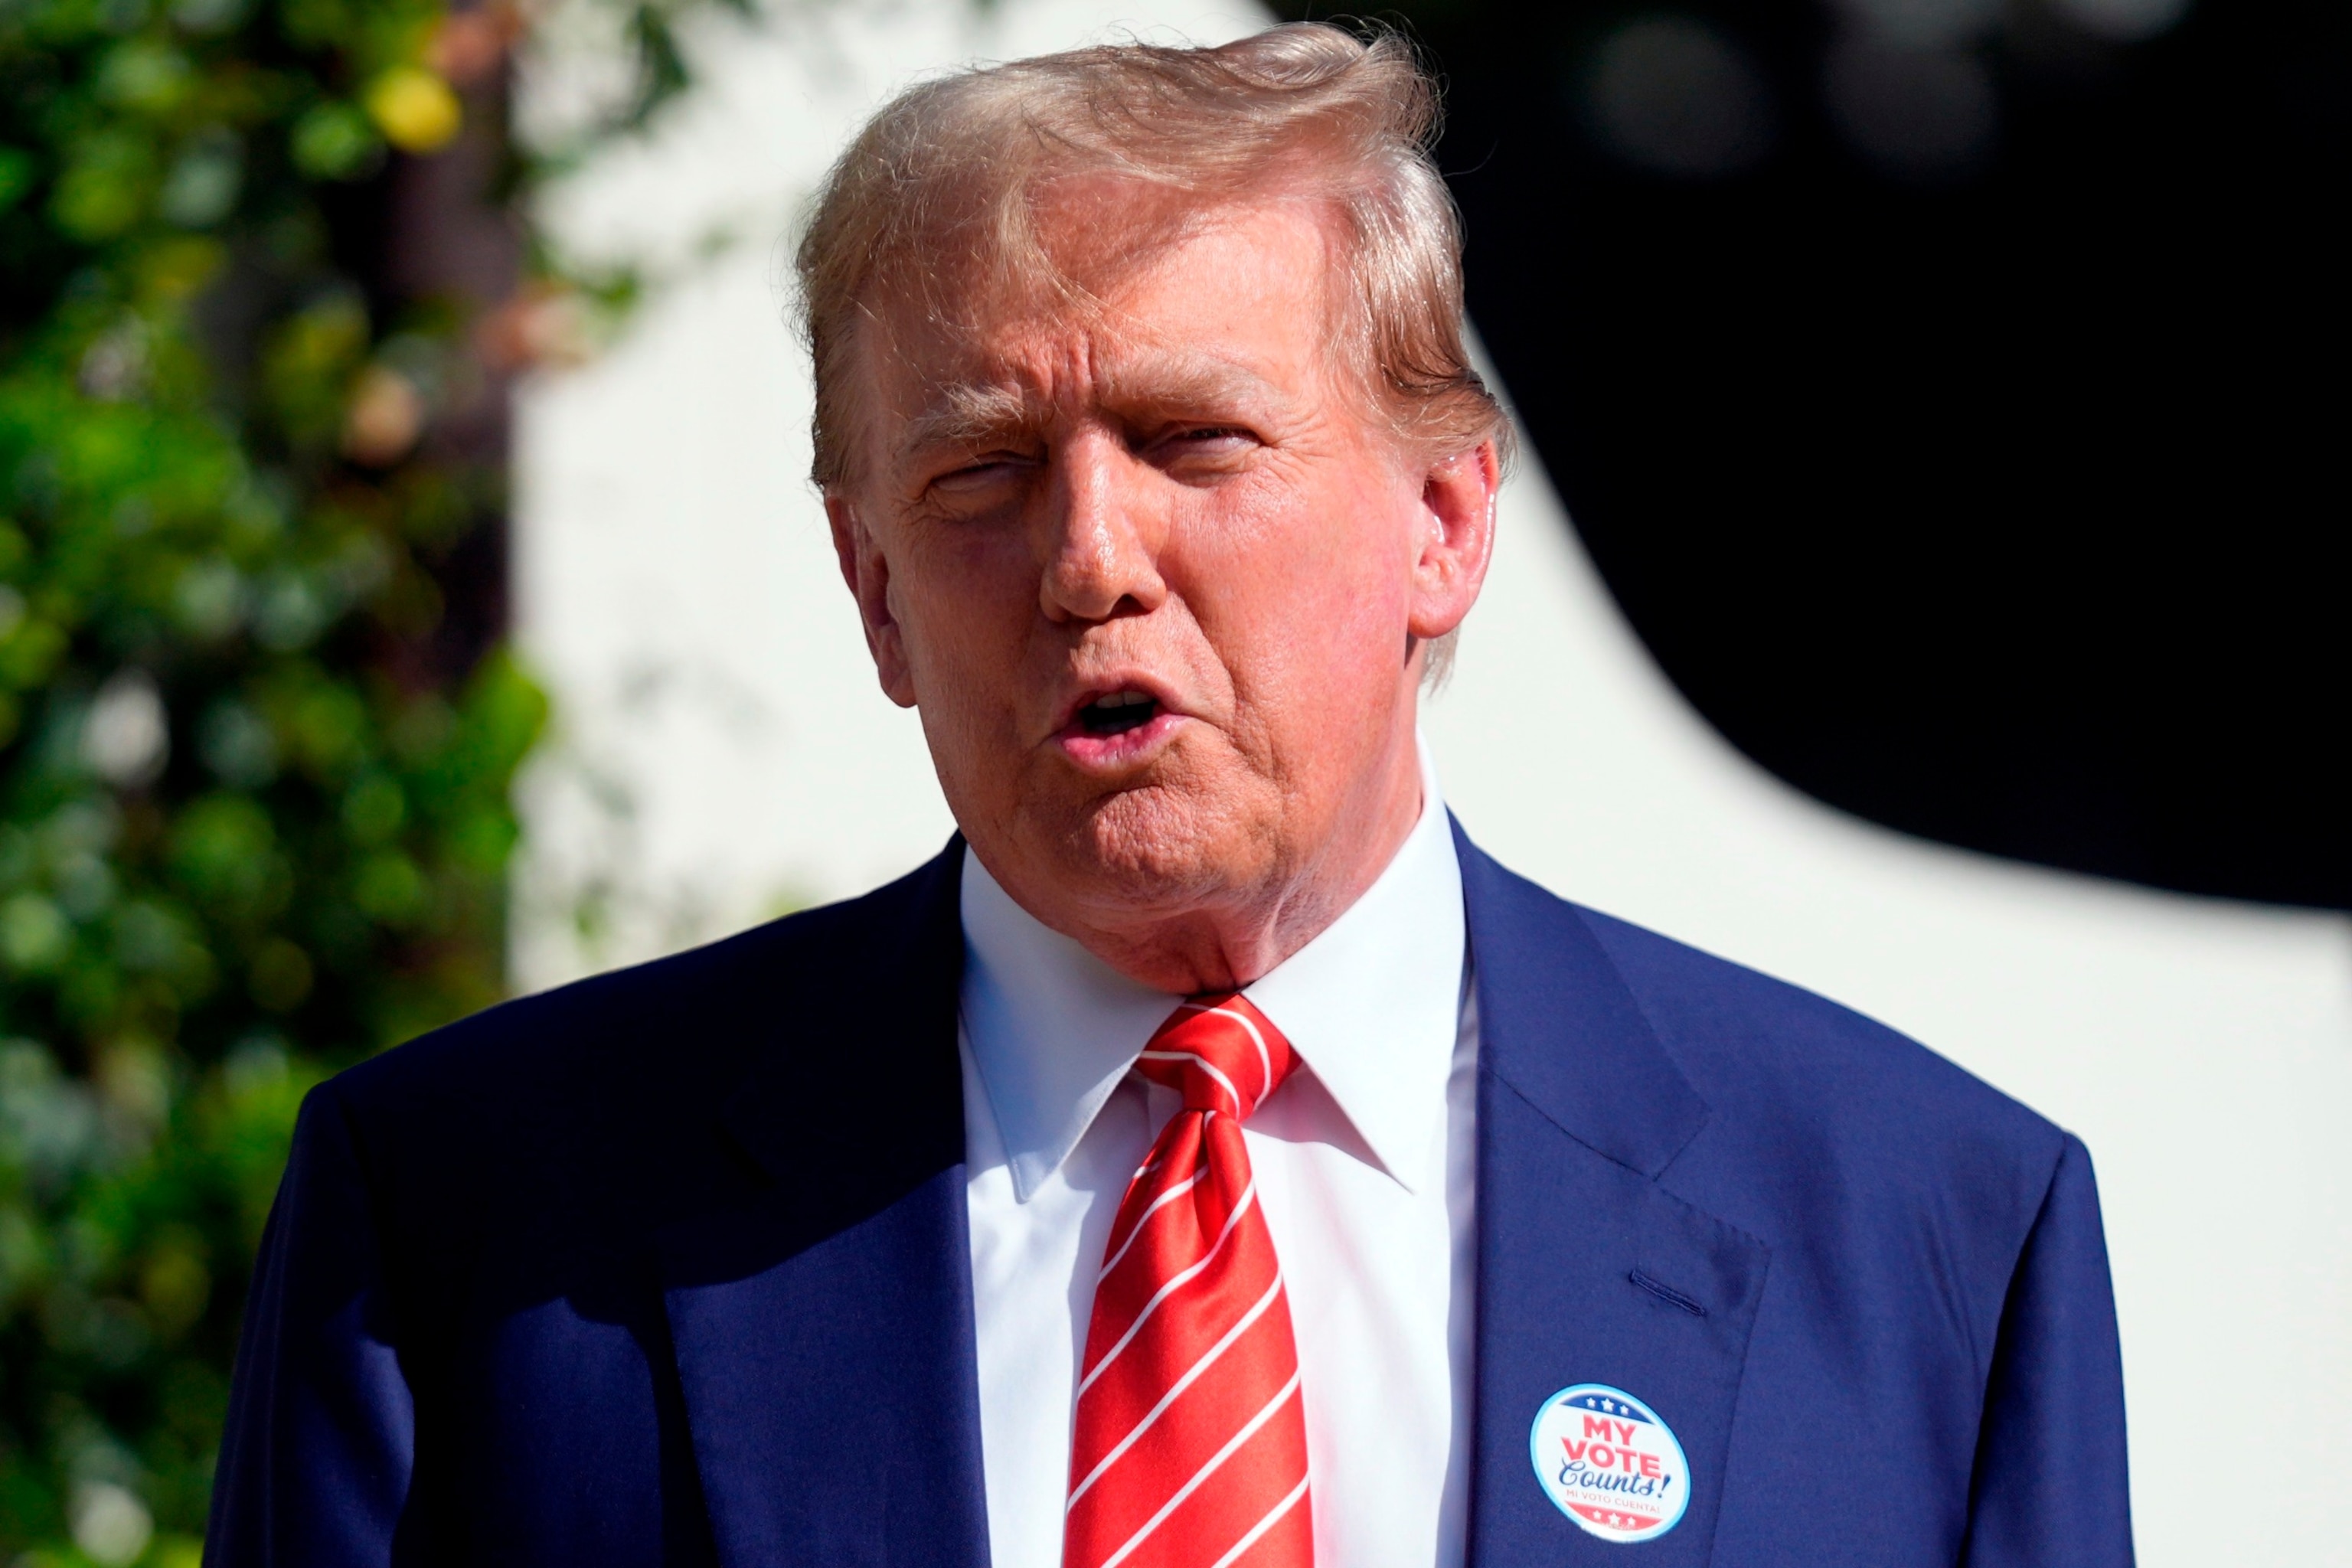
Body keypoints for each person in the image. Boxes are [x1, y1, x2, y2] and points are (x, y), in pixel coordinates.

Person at [206, 24, 2132, 1568]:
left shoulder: (1925, 1232)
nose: (1088, 558)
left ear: (1444, 523)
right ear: (872, 587)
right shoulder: (472, 1225)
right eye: (977, 473)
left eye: (1196, 439)